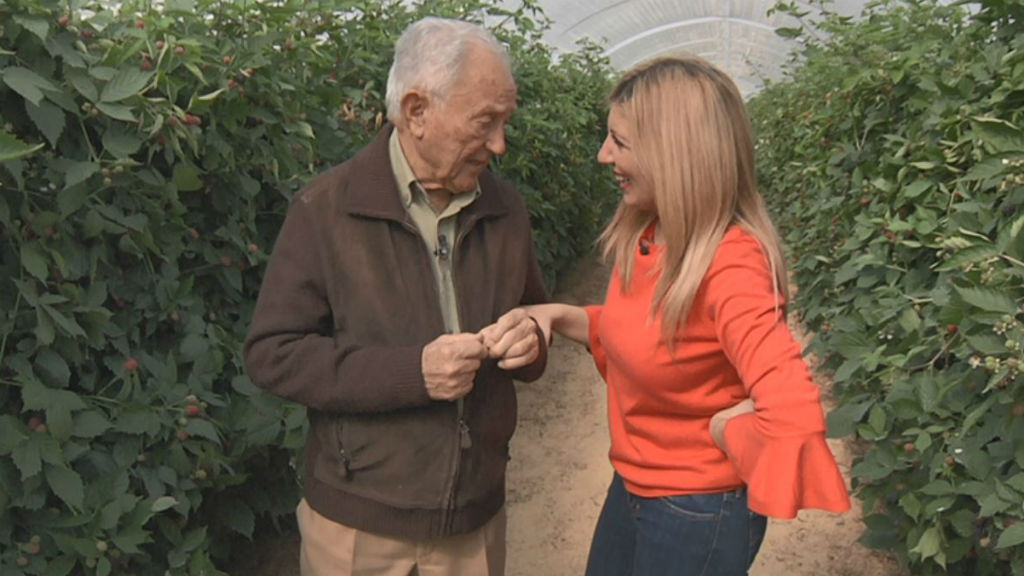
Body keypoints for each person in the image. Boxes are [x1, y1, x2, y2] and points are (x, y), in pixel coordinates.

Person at [522, 55, 851, 575]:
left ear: (674, 154)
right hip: (635, 483)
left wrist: (729, 434)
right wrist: (557, 315)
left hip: (697, 511)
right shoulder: (654, 234)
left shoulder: (731, 265)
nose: (603, 155)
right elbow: (651, 340)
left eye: (620, 142)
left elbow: (791, 414)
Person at [243, 17, 549, 576]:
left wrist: (530, 342)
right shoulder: (326, 210)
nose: (499, 144)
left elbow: (533, 319)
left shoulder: (506, 212)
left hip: (472, 524)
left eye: (505, 122)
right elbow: (273, 354)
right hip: (358, 527)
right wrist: (414, 373)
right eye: (485, 122)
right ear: (416, 111)